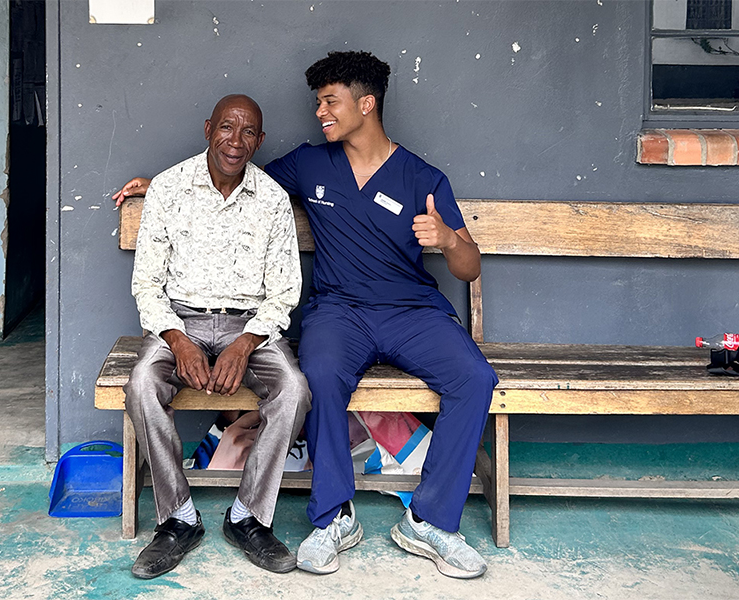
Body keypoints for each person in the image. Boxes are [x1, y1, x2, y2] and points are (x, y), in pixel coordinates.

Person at [114, 52, 497, 580]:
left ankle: (429, 521)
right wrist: (156, 186)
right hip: (339, 312)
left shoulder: (422, 177)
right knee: (317, 376)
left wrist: (449, 238)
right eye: (317, 102)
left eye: (329, 102)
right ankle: (333, 518)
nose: (320, 112)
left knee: (476, 377)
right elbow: (231, 172)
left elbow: (469, 265)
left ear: (366, 104)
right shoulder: (311, 163)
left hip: (413, 311)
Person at [121, 94, 310, 579]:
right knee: (142, 384)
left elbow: (286, 289)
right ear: (209, 128)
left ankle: (248, 516)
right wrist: (177, 339)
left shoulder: (270, 198)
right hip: (178, 321)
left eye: (249, 133)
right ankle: (178, 518)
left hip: (249, 325)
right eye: (227, 128)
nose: (236, 141)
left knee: (293, 390)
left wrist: (245, 342)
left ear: (260, 140)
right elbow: (147, 282)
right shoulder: (169, 187)